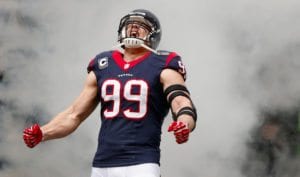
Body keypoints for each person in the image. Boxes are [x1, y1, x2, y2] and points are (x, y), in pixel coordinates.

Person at [23, 9, 197, 177]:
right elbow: (74, 114)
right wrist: (43, 133)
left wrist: (184, 124)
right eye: (130, 24)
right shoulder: (103, 64)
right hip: (102, 164)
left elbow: (181, 102)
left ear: (153, 35)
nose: (134, 28)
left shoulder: (163, 63)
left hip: (141, 163)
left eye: (141, 25)